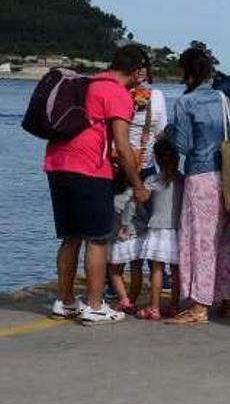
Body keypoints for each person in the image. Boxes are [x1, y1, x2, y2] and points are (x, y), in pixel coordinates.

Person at [44, 44, 151, 325]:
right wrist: (137, 184)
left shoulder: (87, 84)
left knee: (71, 237)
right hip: (89, 168)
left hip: (56, 164)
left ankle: (65, 302)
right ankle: (94, 305)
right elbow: (123, 146)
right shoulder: (117, 94)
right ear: (138, 70)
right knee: (98, 238)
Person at [167, 46, 230, 326]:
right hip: (228, 177)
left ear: (187, 73)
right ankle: (225, 297)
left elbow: (184, 145)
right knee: (226, 239)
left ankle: (199, 305)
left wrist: (168, 133)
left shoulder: (186, 103)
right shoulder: (224, 99)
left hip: (200, 176)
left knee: (199, 241)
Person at [107, 79, 167, 315]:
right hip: (145, 168)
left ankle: (125, 296)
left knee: (121, 233)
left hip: (124, 171)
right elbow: (162, 132)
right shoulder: (155, 98)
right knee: (141, 234)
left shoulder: (122, 96)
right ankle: (135, 295)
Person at [137, 136, 182, 321]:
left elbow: (142, 199)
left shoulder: (153, 180)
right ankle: (174, 305)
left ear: (155, 158)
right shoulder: (182, 179)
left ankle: (154, 307)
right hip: (177, 230)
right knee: (176, 271)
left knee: (157, 269)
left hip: (157, 229)